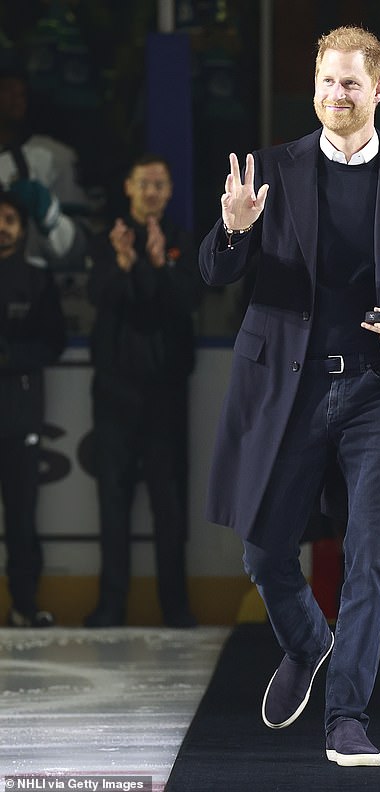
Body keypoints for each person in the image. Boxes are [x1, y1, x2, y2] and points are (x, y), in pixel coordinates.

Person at [199, 26, 380, 766]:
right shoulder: (274, 170)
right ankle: (307, 641)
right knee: (263, 554)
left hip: (375, 394)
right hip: (284, 391)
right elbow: (217, 273)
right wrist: (231, 232)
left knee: (369, 557)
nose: (335, 95)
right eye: (326, 81)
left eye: (351, 83)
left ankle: (345, 717)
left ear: (378, 89)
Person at [84, 153, 199, 629]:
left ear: (169, 192)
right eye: (143, 183)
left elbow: (188, 301)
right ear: (128, 188)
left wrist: (158, 265)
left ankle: (175, 607)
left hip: (165, 394)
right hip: (115, 392)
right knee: (113, 500)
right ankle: (112, 605)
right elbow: (98, 298)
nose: (152, 192)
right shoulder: (106, 239)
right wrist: (123, 264)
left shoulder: (180, 242)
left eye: (160, 184)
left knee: (168, 503)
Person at [0, 189, 66, 627]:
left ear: (22, 229)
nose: (2, 226)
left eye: (9, 219)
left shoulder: (38, 281)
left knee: (21, 515)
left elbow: (54, 343)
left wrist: (10, 358)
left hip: (18, 413)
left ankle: (24, 604)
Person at [0, 62, 90, 270]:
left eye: (21, 92)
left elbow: (77, 251)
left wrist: (50, 217)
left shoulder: (53, 156)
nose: (17, 98)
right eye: (6, 90)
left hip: (34, 288)